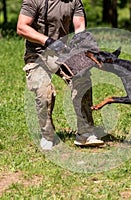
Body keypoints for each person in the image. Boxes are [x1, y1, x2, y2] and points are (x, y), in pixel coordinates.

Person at [17, 0, 104, 150]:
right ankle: (47, 135)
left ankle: (85, 133)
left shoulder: (74, 1)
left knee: (82, 79)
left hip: (62, 52)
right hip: (37, 54)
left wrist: (84, 45)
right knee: (43, 92)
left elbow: (79, 28)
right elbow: (21, 27)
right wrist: (48, 41)